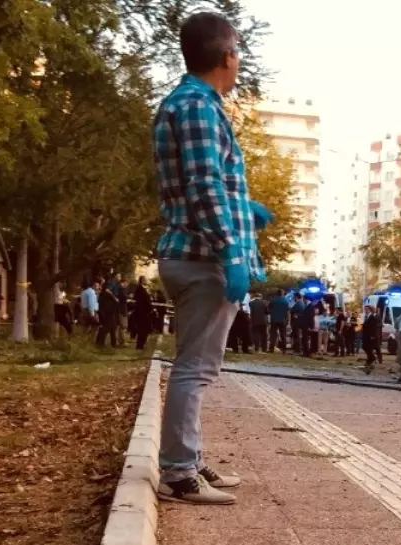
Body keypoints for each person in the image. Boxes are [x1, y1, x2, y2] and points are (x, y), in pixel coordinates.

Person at [153, 11, 271, 504]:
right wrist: (231, 250)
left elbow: (199, 183)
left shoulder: (184, 103)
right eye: (237, 52)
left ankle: (190, 458)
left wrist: (244, 207)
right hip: (204, 258)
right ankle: (179, 474)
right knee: (196, 367)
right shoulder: (200, 105)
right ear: (228, 55)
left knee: (196, 365)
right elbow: (202, 187)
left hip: (192, 252)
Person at [131, 276, 154, 350]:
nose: (146, 281)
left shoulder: (144, 289)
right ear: (142, 280)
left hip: (145, 312)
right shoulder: (139, 289)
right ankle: (140, 345)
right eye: (145, 280)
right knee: (142, 329)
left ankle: (142, 343)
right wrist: (151, 308)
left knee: (145, 329)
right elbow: (144, 300)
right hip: (142, 312)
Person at [96, 278, 119, 347]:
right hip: (107, 313)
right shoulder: (105, 294)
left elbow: (116, 301)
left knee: (112, 328)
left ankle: (113, 343)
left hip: (109, 313)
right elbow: (116, 301)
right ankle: (100, 343)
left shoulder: (106, 294)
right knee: (105, 329)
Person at [361, 306, 381, 372]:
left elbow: (374, 327)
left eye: (366, 309)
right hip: (365, 335)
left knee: (368, 348)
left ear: (369, 310)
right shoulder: (366, 317)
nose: (365, 310)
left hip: (370, 336)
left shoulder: (372, 317)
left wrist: (373, 335)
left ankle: (371, 358)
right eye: (365, 309)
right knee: (364, 347)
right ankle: (371, 358)